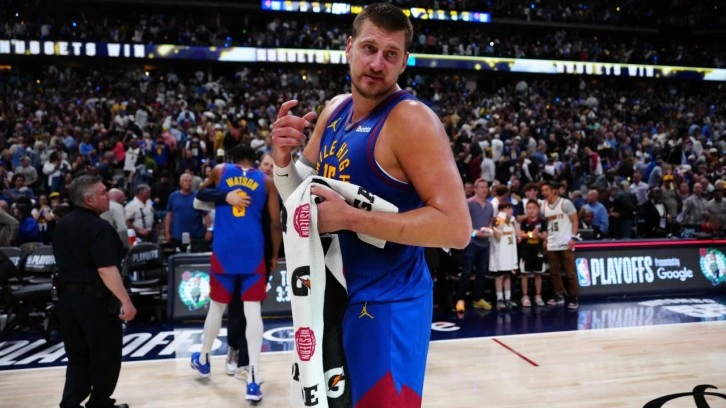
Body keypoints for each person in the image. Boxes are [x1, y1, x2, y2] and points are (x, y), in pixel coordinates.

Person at [271, 4, 471, 406]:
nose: (377, 63)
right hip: (334, 297)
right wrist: (280, 160)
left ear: (404, 62)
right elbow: (297, 194)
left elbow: (456, 228)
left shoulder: (411, 120)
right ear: (349, 47)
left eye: (390, 54)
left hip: (388, 305)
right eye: (369, 48)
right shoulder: (335, 110)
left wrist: (349, 218)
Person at [190, 144, 281, 403]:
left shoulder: (220, 170)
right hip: (253, 250)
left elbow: (200, 194)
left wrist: (225, 196)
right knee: (253, 313)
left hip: (225, 249)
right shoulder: (267, 181)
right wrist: (274, 255)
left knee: (217, 308)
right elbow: (276, 224)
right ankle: (253, 378)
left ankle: (204, 359)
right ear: (254, 161)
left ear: (232, 159)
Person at [52, 175, 137, 408]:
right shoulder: (99, 228)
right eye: (102, 193)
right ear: (88, 199)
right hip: (94, 301)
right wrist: (126, 301)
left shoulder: (62, 224)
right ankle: (99, 403)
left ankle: (70, 403)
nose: (107, 196)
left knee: (77, 356)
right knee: (105, 355)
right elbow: (106, 269)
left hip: (66, 300)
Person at [456, 178, 494, 313]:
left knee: (482, 272)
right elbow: (462, 224)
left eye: (486, 187)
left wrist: (489, 231)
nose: (484, 189)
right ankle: (460, 299)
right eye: (481, 187)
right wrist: (475, 233)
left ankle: (478, 298)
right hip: (471, 243)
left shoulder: (490, 205)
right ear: (475, 189)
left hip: (484, 243)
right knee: (467, 271)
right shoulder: (469, 203)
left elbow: (490, 222)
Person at [541, 180, 580, 310]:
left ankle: (574, 297)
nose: (543, 192)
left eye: (546, 190)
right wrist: (545, 240)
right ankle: (559, 295)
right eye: (542, 191)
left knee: (570, 273)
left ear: (554, 191)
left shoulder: (565, 203)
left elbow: (575, 220)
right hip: (552, 243)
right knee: (554, 273)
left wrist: (573, 237)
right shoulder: (544, 206)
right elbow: (546, 225)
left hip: (565, 242)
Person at [164, 173, 210, 250]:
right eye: (186, 181)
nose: (188, 183)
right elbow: (169, 215)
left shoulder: (198, 196)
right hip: (177, 236)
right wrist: (167, 232)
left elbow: (206, 215)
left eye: (190, 181)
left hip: (196, 236)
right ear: (180, 183)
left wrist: (209, 230)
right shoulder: (173, 196)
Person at [489, 202, 520, 310]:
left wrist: (514, 221)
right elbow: (497, 235)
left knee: (508, 276)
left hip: (510, 254)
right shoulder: (497, 220)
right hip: (500, 254)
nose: (511, 211)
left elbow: (518, 234)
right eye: (508, 208)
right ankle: (499, 299)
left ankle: (508, 298)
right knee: (500, 276)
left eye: (511, 208)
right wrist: (502, 219)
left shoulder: (511, 221)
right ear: (502, 210)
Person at [518, 200, 547, 307]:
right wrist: (531, 234)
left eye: (533, 208)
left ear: (538, 209)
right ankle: (525, 296)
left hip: (538, 251)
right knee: (524, 274)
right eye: (529, 208)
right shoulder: (524, 222)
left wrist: (538, 235)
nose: (531, 210)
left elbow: (544, 236)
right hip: (526, 252)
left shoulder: (542, 222)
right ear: (526, 210)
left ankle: (538, 296)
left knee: (538, 274)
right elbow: (521, 235)